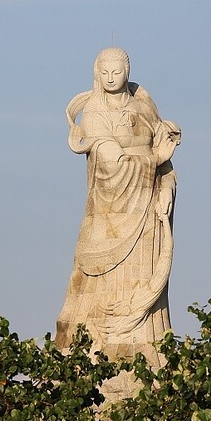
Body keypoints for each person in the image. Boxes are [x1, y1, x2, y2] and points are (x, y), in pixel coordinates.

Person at [56, 47, 180, 369]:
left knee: (145, 287)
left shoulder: (143, 102)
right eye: (105, 72)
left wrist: (165, 186)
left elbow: (163, 155)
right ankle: (97, 346)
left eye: (118, 72)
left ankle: (151, 348)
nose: (112, 79)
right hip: (111, 215)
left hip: (147, 214)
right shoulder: (95, 112)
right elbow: (114, 165)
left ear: (128, 70)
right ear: (97, 74)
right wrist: (155, 160)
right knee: (100, 292)